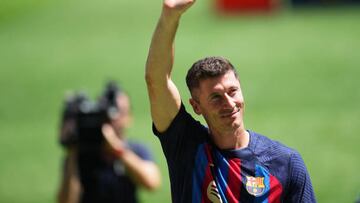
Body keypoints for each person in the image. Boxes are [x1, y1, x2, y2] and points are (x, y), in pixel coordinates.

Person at [145, 0, 316, 202]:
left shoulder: (285, 163)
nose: (229, 103)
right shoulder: (187, 147)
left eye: (233, 91)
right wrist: (170, 15)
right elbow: (157, 81)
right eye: (216, 97)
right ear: (196, 106)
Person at [57, 82, 161, 203]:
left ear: (129, 117)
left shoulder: (136, 149)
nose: (114, 118)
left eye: (120, 112)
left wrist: (118, 151)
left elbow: (152, 183)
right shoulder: (82, 155)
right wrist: (73, 151)